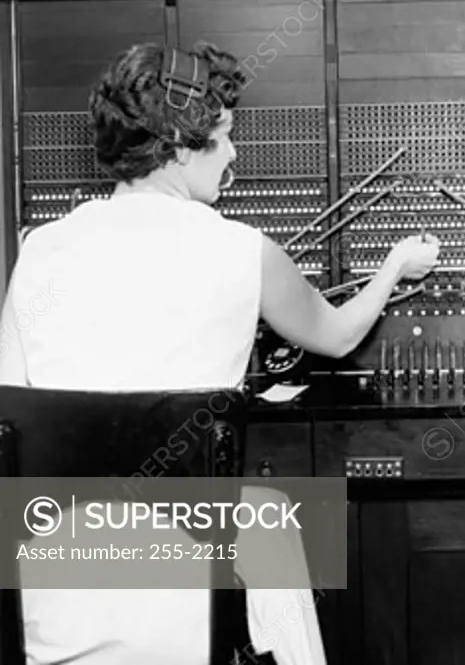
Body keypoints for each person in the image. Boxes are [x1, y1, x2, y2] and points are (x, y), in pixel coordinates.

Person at [0, 41, 440, 665]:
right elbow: (339, 336)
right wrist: (396, 265)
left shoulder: (41, 250)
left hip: (50, 603)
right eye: (225, 135)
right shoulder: (242, 250)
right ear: (180, 145)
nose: (234, 153)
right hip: (186, 613)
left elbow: (9, 420)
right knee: (283, 520)